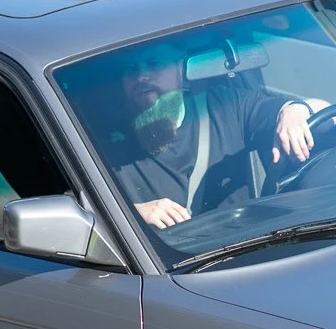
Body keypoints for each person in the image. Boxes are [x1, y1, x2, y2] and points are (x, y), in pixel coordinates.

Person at [105, 39, 320, 228]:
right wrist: (134, 213)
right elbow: (87, 212)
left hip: (248, 246)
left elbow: (323, 109)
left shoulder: (226, 106)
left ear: (181, 67)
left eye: (154, 64)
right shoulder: (101, 139)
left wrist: (294, 111)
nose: (141, 76)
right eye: (130, 68)